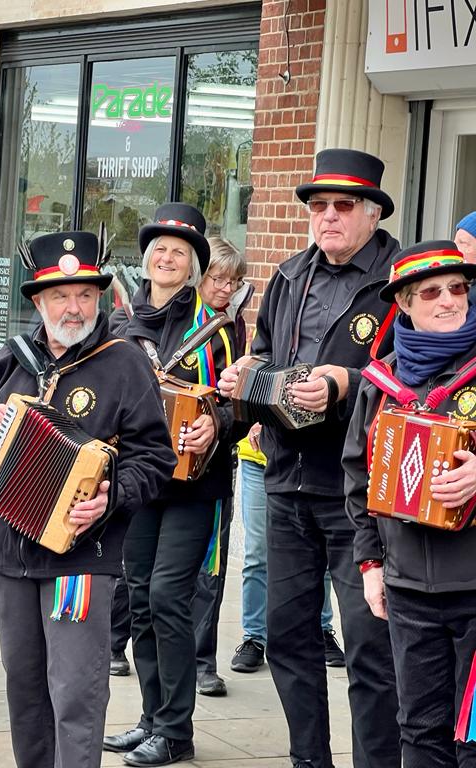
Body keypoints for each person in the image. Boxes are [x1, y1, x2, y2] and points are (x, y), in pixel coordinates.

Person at [0, 229, 175, 768]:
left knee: (75, 691)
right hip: (7, 553)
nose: (73, 308)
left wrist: (110, 495)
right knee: (24, 687)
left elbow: (156, 458)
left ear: (99, 298)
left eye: (84, 295)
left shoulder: (124, 362)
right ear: (38, 300)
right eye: (60, 295)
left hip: (81, 557)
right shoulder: (13, 359)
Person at [218, 148, 402, 768]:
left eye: (342, 206)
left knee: (371, 647)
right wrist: (249, 373)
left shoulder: (399, 279)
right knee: (287, 637)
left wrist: (346, 385)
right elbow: (266, 349)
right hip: (286, 481)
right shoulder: (292, 272)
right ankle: (308, 760)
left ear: (372, 213)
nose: (327, 217)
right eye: (317, 206)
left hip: (361, 495)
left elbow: (418, 374)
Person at [103, 204, 242, 766]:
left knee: (167, 596)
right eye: (159, 249)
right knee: (138, 599)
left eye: (178, 253)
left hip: (195, 485)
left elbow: (239, 401)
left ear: (193, 266)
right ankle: (150, 716)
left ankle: (177, 730)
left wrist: (219, 422)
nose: (166, 258)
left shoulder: (217, 327)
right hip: (137, 484)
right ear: (146, 258)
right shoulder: (117, 325)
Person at [343, 241, 476, 768]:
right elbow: (357, 478)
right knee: (419, 731)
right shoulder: (381, 383)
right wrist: (371, 564)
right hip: (407, 589)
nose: (448, 301)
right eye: (431, 292)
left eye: (458, 288)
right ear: (403, 303)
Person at [229, 434, 345, 675]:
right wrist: (256, 419)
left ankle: (322, 629)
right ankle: (253, 637)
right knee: (256, 555)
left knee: (319, 557)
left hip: (309, 462)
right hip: (256, 459)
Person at [189, 237, 249, 699]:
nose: (225, 289)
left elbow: (238, 396)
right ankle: (118, 640)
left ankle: (202, 660)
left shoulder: (233, 328)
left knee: (212, 560)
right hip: (165, 456)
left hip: (215, 457)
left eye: (234, 281)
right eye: (217, 279)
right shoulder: (174, 318)